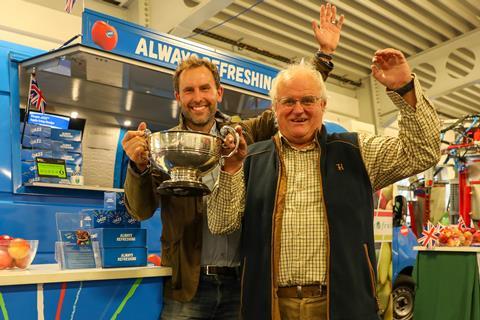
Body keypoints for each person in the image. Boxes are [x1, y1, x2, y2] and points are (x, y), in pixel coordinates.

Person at [121, 4, 343, 319]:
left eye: (204, 88)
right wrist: (138, 167)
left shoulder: (245, 135)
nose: (197, 96)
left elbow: (293, 102)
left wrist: (324, 56)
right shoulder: (163, 148)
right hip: (187, 288)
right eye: (189, 90)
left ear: (219, 92)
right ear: (178, 97)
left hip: (244, 284)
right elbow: (141, 210)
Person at [207, 49, 441, 319]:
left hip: (343, 304)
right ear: (274, 109)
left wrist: (405, 89)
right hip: (270, 307)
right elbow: (220, 224)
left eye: (308, 100)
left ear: (323, 105)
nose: (298, 110)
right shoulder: (251, 159)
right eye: (288, 101)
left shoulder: (357, 151)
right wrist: (231, 168)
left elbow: (423, 152)